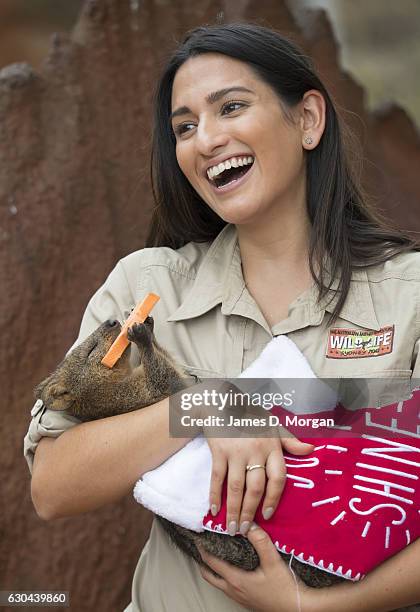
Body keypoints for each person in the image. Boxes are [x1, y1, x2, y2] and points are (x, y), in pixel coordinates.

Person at [24, 23, 420, 612]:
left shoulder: (408, 295)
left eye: (230, 107)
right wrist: (207, 403)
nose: (205, 139)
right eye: (184, 127)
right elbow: (53, 487)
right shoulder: (146, 289)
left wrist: (309, 606)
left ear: (308, 119)